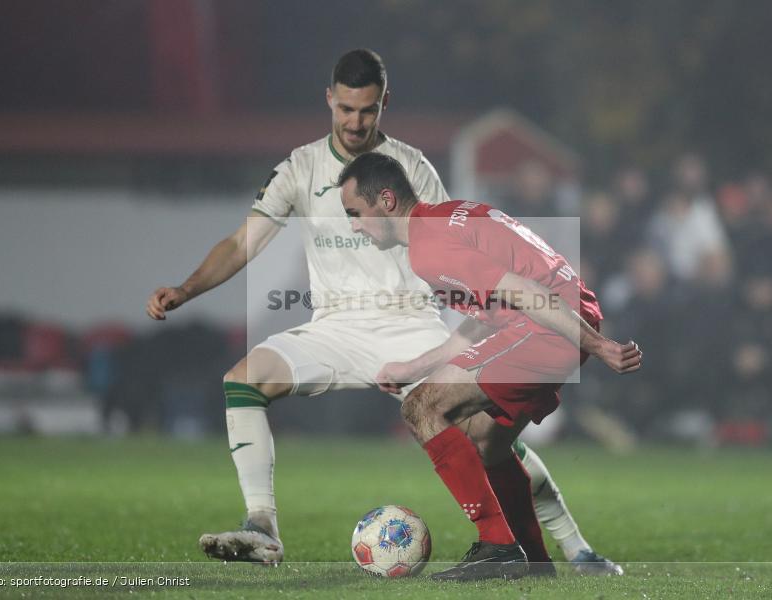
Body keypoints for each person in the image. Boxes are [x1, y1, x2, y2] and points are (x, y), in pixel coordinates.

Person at [145, 49, 621, 574]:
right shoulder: (301, 167)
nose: (355, 122)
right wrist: (188, 288)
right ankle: (261, 525)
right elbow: (242, 243)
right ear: (329, 100)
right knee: (243, 380)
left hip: (410, 323)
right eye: (346, 109)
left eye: (367, 111)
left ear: (383, 104)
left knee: (483, 433)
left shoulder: (410, 166)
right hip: (334, 327)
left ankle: (572, 548)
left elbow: (448, 242)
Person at [338, 152, 641, 581]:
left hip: (548, 323)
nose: (354, 225)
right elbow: (488, 314)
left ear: (386, 200)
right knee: (485, 440)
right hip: (560, 316)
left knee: (422, 409)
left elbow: (522, 290)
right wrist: (415, 366)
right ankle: (534, 562)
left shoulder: (429, 247)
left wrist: (598, 345)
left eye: (355, 213)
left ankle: (497, 546)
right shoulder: (447, 217)